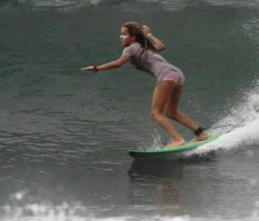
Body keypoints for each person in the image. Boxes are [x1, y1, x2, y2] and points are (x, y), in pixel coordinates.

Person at [81, 22, 209, 147]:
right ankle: (200, 133)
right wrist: (149, 35)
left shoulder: (130, 48)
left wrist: (96, 68)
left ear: (133, 37)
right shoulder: (146, 47)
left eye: (124, 34)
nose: (120, 36)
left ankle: (177, 139)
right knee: (171, 112)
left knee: (155, 113)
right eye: (121, 34)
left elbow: (118, 63)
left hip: (166, 76)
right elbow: (161, 46)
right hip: (177, 74)